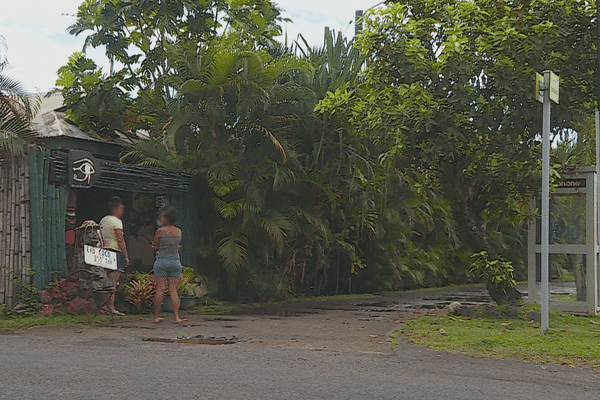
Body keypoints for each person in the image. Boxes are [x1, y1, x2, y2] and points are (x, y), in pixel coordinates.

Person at [152, 207, 187, 324]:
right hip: (175, 261)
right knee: (173, 290)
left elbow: (155, 245)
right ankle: (177, 317)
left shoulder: (160, 231)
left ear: (166, 218)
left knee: (160, 289)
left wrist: (156, 246)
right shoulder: (179, 231)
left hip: (162, 260)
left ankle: (157, 316)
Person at [99, 196, 129, 316]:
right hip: (114, 251)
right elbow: (120, 239)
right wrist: (126, 255)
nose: (122, 212)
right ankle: (111, 307)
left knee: (104, 281)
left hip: (104, 251)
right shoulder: (116, 222)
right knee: (113, 282)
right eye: (121, 209)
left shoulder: (103, 220)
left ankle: (104, 306)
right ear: (116, 209)